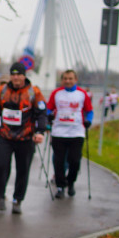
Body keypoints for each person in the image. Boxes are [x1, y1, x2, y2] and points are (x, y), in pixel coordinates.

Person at [0, 61, 47, 214]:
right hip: (5, 136)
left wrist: (40, 131)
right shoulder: (2, 90)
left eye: (19, 74)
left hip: (25, 138)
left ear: (24, 76)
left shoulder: (34, 92)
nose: (16, 77)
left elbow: (41, 113)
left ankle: (17, 200)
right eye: (13, 74)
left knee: (22, 170)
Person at [46, 69, 93, 198]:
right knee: (59, 161)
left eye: (70, 78)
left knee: (75, 160)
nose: (67, 81)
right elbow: (48, 108)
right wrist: (48, 116)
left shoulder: (82, 94)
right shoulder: (56, 93)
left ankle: (71, 182)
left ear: (75, 80)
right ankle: (60, 186)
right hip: (59, 132)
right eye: (65, 78)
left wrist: (89, 121)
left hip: (76, 132)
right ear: (62, 80)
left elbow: (89, 111)